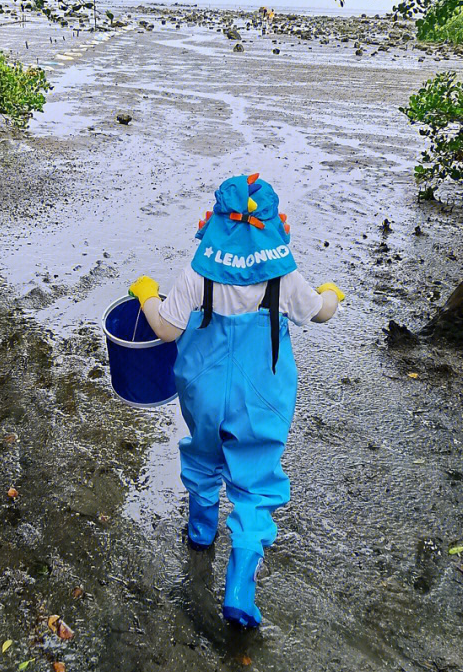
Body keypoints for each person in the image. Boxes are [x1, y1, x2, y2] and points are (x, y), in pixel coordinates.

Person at [129, 173, 342, 628]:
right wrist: (332, 294)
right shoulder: (282, 275)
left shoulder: (198, 270)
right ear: (272, 225)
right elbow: (319, 313)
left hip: (202, 390)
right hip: (261, 396)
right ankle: (240, 592)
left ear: (216, 223)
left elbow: (166, 329)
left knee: (203, 457)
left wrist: (148, 295)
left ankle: (201, 532)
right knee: (255, 484)